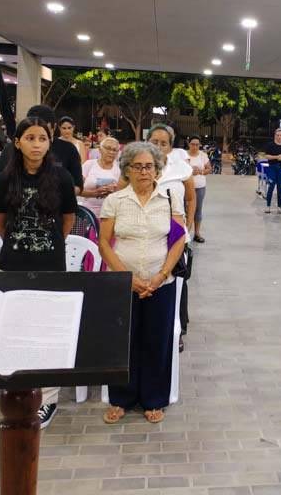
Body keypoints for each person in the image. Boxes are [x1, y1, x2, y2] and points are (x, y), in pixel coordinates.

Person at [0, 117, 78, 429]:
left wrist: (48, 247)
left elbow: (68, 220)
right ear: (18, 142)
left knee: (47, 331)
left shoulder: (61, 177)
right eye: (30, 138)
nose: (36, 144)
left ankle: (48, 398)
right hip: (12, 265)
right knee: (15, 329)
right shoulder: (5, 178)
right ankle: (17, 392)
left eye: (42, 138)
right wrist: (20, 246)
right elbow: (0, 224)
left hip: (50, 266)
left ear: (49, 142)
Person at [98, 142, 185, 426]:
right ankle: (121, 398)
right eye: (137, 166)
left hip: (161, 282)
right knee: (123, 341)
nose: (144, 171)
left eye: (149, 166)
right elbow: (104, 243)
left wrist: (160, 276)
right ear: (127, 170)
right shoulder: (115, 201)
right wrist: (128, 278)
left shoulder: (169, 199)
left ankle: (154, 399)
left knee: (156, 341)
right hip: (124, 283)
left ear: (158, 170)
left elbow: (178, 240)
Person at [147, 124, 195, 354]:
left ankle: (178, 330)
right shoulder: (137, 166)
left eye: (163, 143)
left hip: (175, 238)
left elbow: (192, 199)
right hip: (146, 235)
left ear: (170, 145)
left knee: (176, 283)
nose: (158, 146)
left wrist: (189, 226)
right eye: (154, 142)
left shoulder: (181, 169)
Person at [0, 104, 83, 196]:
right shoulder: (10, 150)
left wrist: (56, 196)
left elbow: (78, 185)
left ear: (54, 127)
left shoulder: (68, 149)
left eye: (44, 135)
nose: (37, 144)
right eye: (32, 136)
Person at [79, 136, 121, 218]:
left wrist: (114, 190)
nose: (111, 152)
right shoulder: (89, 164)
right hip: (88, 213)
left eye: (114, 150)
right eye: (108, 148)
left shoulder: (120, 169)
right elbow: (77, 190)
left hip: (112, 214)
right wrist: (95, 193)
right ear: (100, 149)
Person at [185, 135, 212, 242]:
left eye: (197, 145)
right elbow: (179, 170)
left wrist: (201, 171)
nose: (195, 147)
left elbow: (209, 169)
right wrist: (190, 171)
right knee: (185, 210)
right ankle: (185, 234)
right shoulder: (184, 155)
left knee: (198, 210)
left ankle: (196, 234)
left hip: (200, 187)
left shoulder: (203, 155)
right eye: (193, 144)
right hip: (186, 187)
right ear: (188, 144)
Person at [263, 129, 281, 214]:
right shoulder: (270, 145)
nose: (279, 137)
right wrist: (276, 157)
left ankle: (279, 206)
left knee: (280, 188)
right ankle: (268, 206)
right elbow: (267, 156)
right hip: (272, 168)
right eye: (278, 135)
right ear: (275, 136)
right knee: (271, 187)